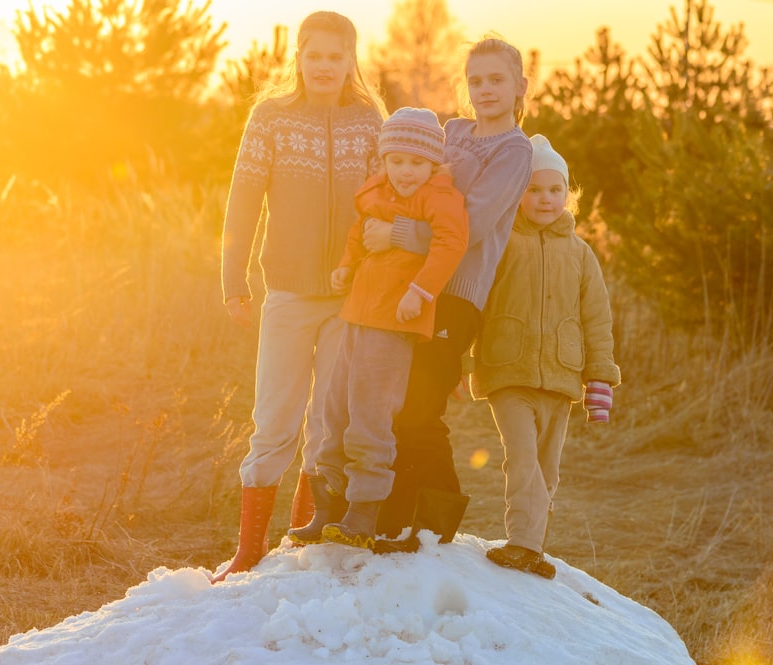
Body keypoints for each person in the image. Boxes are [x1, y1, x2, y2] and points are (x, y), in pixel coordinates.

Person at [213, 11, 386, 583]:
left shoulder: (369, 120)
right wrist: (233, 282)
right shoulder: (271, 118)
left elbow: (388, 201)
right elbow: (243, 202)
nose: (324, 66)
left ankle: (298, 544)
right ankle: (249, 551)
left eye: (336, 57)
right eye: (314, 55)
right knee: (274, 420)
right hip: (285, 293)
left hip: (349, 297)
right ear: (299, 58)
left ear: (350, 61)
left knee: (328, 424)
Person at [361, 35, 534, 552]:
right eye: (476, 80)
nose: (485, 90)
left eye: (496, 80)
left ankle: (434, 526)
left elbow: (473, 225)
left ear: (519, 86)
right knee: (396, 402)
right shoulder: (452, 132)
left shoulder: (514, 151)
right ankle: (395, 520)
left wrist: (395, 234)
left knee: (420, 406)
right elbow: (410, 178)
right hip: (409, 286)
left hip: (456, 295)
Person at [288, 107, 469, 550]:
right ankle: (327, 508)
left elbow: (452, 244)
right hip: (355, 314)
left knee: (370, 417)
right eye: (397, 160)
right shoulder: (377, 191)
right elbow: (358, 233)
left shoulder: (438, 198)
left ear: (432, 164)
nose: (406, 171)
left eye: (416, 162)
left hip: (393, 322)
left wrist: (421, 292)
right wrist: (347, 268)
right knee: (335, 410)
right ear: (385, 160)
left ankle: (363, 511)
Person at [472, 134, 621, 578]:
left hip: (561, 375)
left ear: (567, 195)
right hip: (507, 370)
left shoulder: (580, 253)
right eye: (534, 189)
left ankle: (533, 546)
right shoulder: (501, 243)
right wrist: (460, 361)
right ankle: (522, 542)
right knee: (521, 459)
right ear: (516, 195)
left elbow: (597, 317)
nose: (545, 199)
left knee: (546, 468)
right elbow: (474, 301)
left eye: (555, 190)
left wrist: (600, 377)